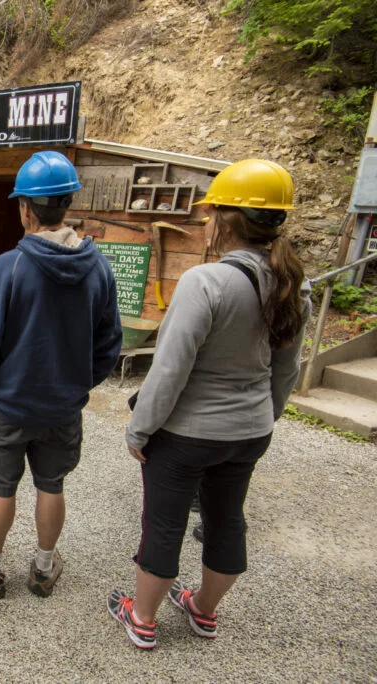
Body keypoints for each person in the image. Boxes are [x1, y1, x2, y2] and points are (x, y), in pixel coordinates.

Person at [109, 159, 308, 650]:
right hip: (250, 430)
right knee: (227, 519)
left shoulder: (206, 283)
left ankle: (143, 618)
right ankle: (202, 610)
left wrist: (140, 429)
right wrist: (264, 418)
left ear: (223, 219)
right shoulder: (292, 285)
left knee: (164, 521)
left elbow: (170, 369)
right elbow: (286, 371)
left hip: (189, 433)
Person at [0, 151, 122, 600]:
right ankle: (44, 568)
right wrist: (79, 383)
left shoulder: (8, 267)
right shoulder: (98, 267)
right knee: (52, 483)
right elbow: (109, 345)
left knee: (1, 486)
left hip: (7, 404)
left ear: (25, 208)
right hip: (62, 407)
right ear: (66, 205)